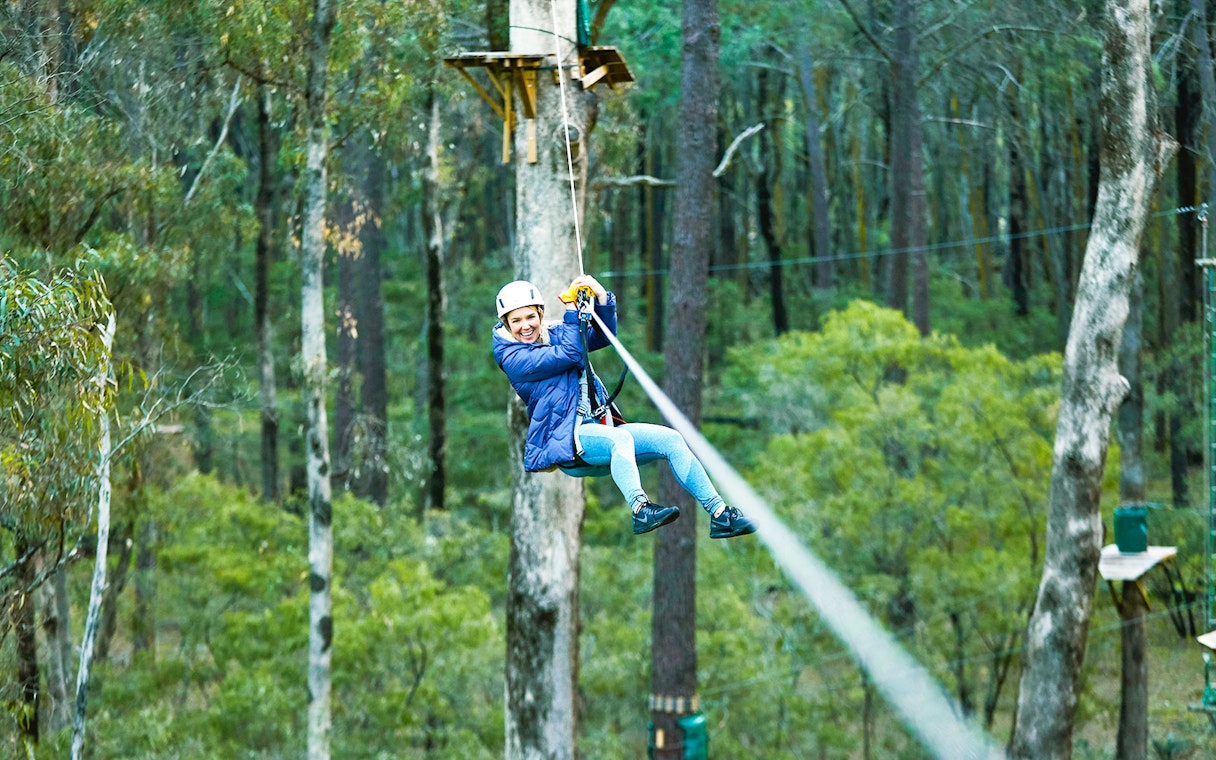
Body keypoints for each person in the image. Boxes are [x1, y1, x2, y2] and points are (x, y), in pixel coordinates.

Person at [492, 274, 756, 538]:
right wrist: (573, 311)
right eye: (516, 321)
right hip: (568, 441)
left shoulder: (554, 333)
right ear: (506, 323)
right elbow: (571, 353)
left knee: (671, 439)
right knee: (621, 440)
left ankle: (720, 515)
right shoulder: (513, 357)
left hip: (597, 428)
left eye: (530, 317)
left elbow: (602, 337)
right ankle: (640, 508)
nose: (525, 326)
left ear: (540, 313)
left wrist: (601, 297)